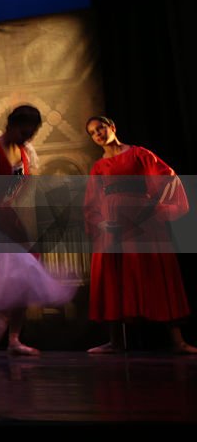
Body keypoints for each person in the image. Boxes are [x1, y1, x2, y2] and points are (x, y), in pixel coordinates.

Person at [0, 105, 75, 356]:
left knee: (24, 275)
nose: (26, 138)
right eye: (23, 132)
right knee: (0, 277)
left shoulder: (26, 152)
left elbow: (20, 191)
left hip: (5, 213)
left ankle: (13, 339)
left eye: (31, 134)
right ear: (10, 125)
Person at [83, 116, 196, 354]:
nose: (98, 134)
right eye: (93, 133)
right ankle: (115, 342)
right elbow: (91, 202)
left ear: (112, 127)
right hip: (113, 230)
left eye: (100, 128)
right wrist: (101, 223)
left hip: (142, 225)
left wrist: (156, 209)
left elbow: (167, 178)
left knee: (154, 273)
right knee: (114, 277)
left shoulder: (138, 154)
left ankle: (178, 342)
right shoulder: (98, 166)